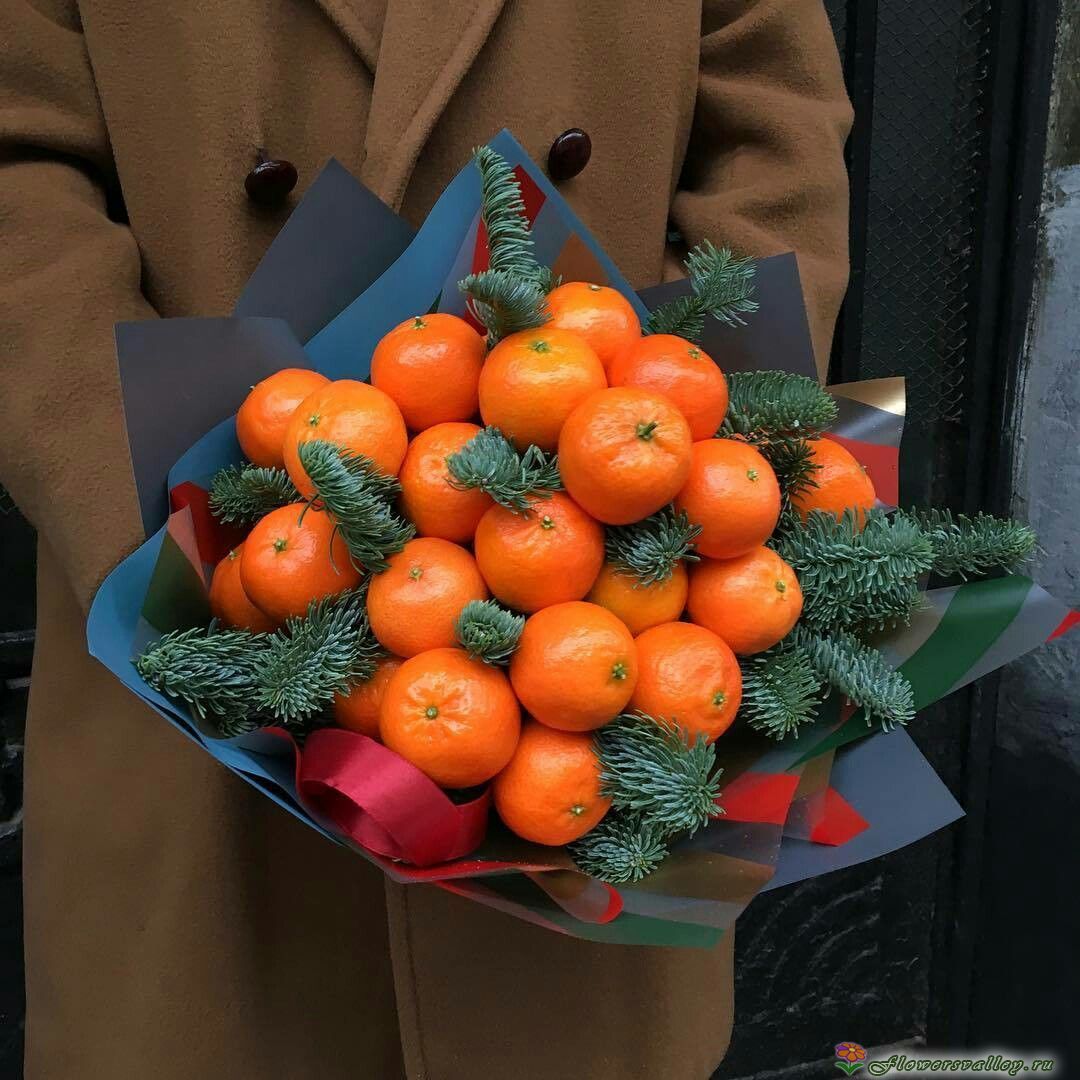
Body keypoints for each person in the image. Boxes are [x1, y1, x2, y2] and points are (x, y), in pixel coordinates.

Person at [0, 1, 852, 1076]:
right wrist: (180, 527)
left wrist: (681, 442)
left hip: (603, 617)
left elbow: (773, 107)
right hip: (198, 617)